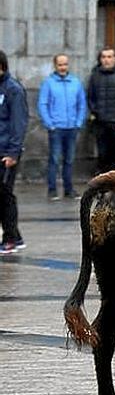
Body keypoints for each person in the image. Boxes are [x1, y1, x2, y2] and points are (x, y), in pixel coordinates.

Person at [38, 53, 87, 200]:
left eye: (65, 64)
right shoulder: (49, 83)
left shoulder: (75, 82)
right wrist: (50, 123)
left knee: (69, 159)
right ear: (55, 66)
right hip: (56, 128)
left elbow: (81, 104)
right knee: (54, 159)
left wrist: (78, 122)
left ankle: (68, 189)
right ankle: (52, 190)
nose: (63, 67)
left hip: (71, 127)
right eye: (60, 64)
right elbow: (43, 104)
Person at [0, 50, 28, 254]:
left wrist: (13, 152)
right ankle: (15, 235)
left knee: (5, 195)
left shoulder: (13, 90)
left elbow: (18, 124)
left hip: (7, 151)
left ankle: (10, 238)